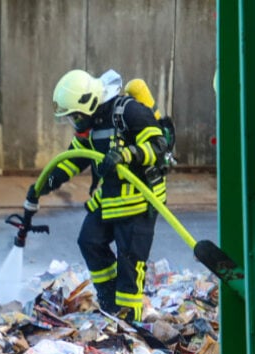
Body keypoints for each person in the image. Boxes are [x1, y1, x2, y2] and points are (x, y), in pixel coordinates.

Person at [24, 69, 170, 320]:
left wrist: (126, 155)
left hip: (139, 199)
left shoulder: (129, 112)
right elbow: (75, 158)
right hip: (112, 198)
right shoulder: (92, 125)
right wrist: (46, 182)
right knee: (89, 241)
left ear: (89, 102)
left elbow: (158, 146)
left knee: (129, 264)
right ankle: (108, 301)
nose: (76, 122)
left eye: (76, 116)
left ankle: (129, 323)